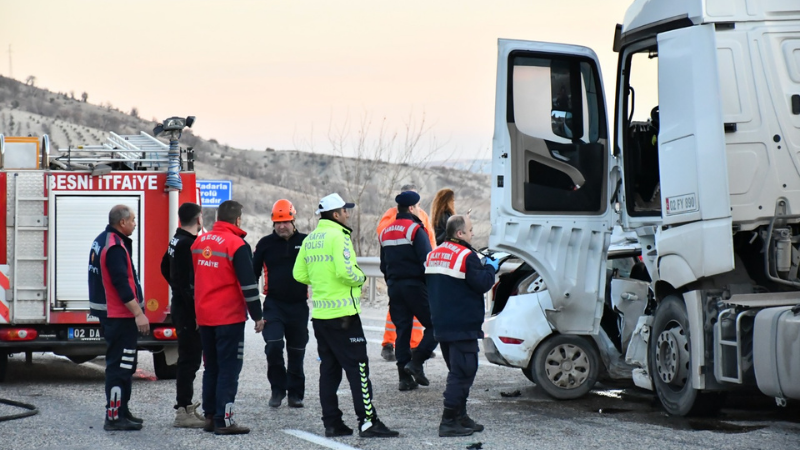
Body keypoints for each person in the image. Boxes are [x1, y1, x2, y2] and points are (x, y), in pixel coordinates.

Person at [293, 193, 399, 438]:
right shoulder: (338, 236)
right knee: (359, 368)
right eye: (344, 210)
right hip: (344, 317)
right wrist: (360, 278)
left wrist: (321, 279)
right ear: (335, 214)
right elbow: (345, 272)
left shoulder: (310, 238)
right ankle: (368, 422)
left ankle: (332, 423)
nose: (348, 214)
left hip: (320, 315)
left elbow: (299, 274)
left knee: (329, 371)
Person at [191, 200, 265, 435]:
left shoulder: (199, 241)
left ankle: (211, 417)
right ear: (238, 220)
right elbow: (249, 285)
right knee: (229, 368)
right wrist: (258, 316)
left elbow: (196, 278)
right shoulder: (237, 244)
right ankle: (226, 420)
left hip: (204, 315)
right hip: (228, 317)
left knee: (210, 366)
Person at [425, 215, 497, 437]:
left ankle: (460, 415)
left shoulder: (433, 254)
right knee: (463, 372)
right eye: (470, 230)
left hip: (442, 323)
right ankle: (448, 422)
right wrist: (491, 269)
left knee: (458, 370)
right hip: (462, 324)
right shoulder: (467, 256)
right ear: (459, 234)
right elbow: (482, 284)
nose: (472, 234)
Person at [88, 204, 148, 431]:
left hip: (114, 315)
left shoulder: (103, 240)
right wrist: (139, 313)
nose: (134, 223)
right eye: (133, 220)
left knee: (125, 365)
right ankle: (114, 417)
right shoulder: (114, 247)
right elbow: (121, 284)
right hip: (119, 316)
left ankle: (122, 410)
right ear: (122, 223)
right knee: (119, 367)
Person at [252, 199, 309, 409]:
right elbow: (252, 274)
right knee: (273, 347)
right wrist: (254, 309)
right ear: (272, 223)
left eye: (285, 221)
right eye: (278, 222)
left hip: (298, 306)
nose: (282, 226)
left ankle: (295, 393)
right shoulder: (265, 244)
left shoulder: (306, 241)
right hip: (274, 305)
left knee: (297, 351)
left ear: (293, 220)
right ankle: (277, 389)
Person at [379, 190, 437, 391]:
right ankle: (417, 363)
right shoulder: (415, 229)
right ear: (412, 208)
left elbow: (383, 266)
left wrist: (393, 282)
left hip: (395, 288)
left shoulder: (385, 231)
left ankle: (404, 379)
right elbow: (427, 262)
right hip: (415, 286)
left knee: (402, 332)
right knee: (435, 326)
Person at [160, 202, 205, 428]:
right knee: (189, 360)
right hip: (187, 312)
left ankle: (185, 407)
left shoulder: (176, 239)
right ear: (199, 219)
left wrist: (174, 287)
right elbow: (190, 284)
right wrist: (196, 311)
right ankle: (183, 410)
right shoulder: (188, 245)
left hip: (179, 305)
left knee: (188, 359)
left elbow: (163, 267)